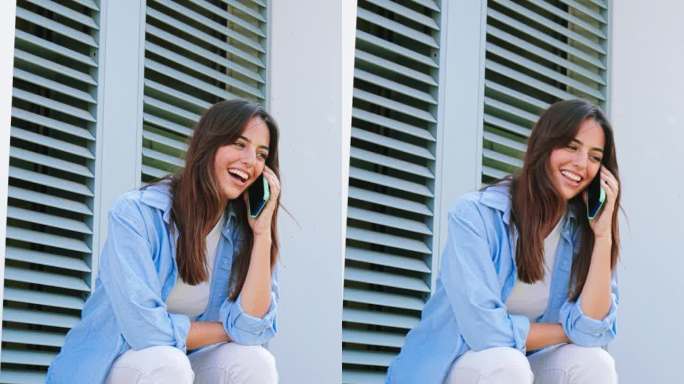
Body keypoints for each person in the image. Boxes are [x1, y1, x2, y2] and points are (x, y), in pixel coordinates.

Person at [386, 99, 620, 384]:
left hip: (525, 366)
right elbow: (484, 331)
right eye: (571, 147)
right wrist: (568, 330)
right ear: (544, 145)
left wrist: (603, 235)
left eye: (595, 157)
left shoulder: (582, 232)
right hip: (455, 366)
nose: (582, 164)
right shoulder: (475, 214)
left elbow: (594, 331)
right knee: (507, 363)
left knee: (594, 361)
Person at [47, 100, 281, 384]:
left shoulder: (244, 234)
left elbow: (255, 329)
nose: (250, 161)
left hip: (183, 364)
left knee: (254, 360)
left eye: (261, 154)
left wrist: (262, 233)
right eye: (239, 144)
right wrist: (229, 329)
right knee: (167, 362)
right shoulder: (136, 213)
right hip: (115, 367)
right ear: (209, 144)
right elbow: (144, 330)